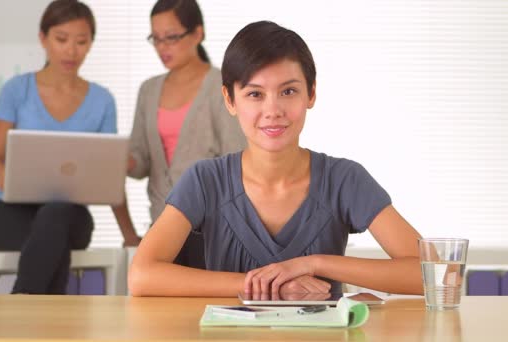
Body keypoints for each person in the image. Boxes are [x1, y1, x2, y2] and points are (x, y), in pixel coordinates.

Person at [128, 21, 423, 297]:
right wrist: (272, 287)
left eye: (289, 91)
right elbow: (141, 276)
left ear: (311, 93)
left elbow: (434, 274)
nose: (273, 110)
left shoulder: (344, 179)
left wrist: (315, 264)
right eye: (255, 94)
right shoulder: (206, 180)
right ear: (230, 100)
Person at [0, 0, 138, 294]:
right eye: (61, 39)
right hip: (13, 216)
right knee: (54, 244)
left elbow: (110, 174)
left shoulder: (102, 100)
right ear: (43, 39)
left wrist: (129, 234)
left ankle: (21, 302)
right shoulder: (16, 90)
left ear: (91, 43)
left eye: (81, 41)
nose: (71, 51)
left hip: (71, 218)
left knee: (56, 216)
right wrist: (3, 173)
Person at [126, 0, 246, 268]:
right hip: (161, 225)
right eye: (155, 39)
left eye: (171, 37)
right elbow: (141, 162)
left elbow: (238, 161)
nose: (162, 48)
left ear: (197, 33)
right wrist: (118, 160)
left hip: (209, 228)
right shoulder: (148, 90)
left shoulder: (221, 86)